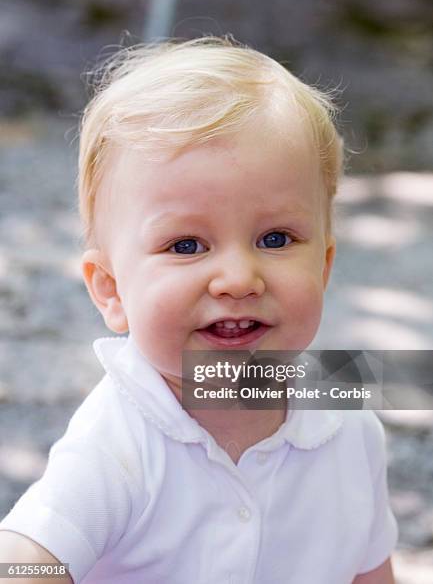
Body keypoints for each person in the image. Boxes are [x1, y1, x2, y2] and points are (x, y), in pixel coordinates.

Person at [0, 35, 398, 583]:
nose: (238, 279)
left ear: (324, 267)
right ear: (111, 290)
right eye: (186, 245)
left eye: (276, 238)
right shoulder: (120, 436)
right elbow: (28, 557)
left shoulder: (347, 409)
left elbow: (369, 569)